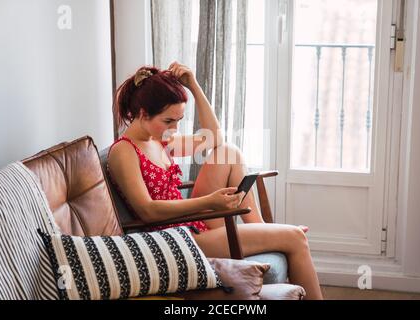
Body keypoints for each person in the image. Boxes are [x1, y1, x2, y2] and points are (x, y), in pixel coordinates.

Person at [107, 61, 323, 300]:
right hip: (174, 239)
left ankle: (260, 228)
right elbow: (147, 211)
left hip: (191, 224)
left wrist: (194, 86)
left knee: (228, 151)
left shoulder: (161, 140)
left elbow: (214, 137)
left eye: (179, 120)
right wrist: (210, 201)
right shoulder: (123, 152)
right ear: (142, 114)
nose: (175, 128)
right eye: (169, 121)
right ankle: (271, 233)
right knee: (295, 237)